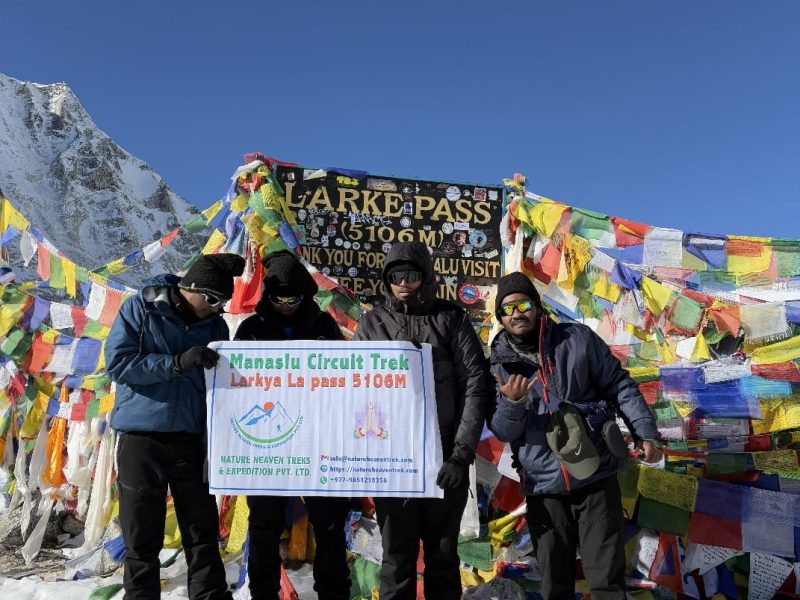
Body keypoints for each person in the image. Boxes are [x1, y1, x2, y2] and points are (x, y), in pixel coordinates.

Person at [489, 271, 663, 600]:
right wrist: (512, 404)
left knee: (606, 582)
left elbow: (620, 386)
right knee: (555, 585)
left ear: (537, 306)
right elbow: (502, 430)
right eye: (507, 309)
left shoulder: (577, 339)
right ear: (500, 317)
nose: (516, 314)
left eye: (523, 305)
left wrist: (645, 433)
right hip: (543, 486)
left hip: (596, 474)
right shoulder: (497, 366)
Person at [352, 241, 490, 600]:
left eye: (411, 274)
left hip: (444, 462)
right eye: (395, 275)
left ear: (425, 276)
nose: (403, 282)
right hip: (393, 464)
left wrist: (460, 455)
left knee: (442, 556)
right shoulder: (371, 324)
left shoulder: (451, 319)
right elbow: (355, 392)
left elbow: (474, 386)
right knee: (396, 557)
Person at [106, 253, 245, 600]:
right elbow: (119, 364)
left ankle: (210, 595)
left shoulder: (214, 326)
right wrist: (176, 363)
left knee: (201, 529)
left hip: (189, 437)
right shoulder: (141, 309)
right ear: (190, 288)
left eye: (223, 302)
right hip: (142, 436)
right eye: (212, 299)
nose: (217, 308)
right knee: (141, 532)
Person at [234, 250, 350, 600]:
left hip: (316, 439)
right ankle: (263, 593)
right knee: (264, 525)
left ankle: (333, 594)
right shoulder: (252, 329)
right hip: (266, 441)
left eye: (293, 299)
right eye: (277, 299)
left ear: (306, 295)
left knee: (328, 523)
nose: (285, 306)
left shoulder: (323, 326)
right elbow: (233, 385)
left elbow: (344, 377)